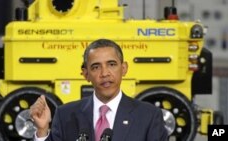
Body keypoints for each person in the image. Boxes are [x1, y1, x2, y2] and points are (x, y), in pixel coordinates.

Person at [30, 39, 168, 141]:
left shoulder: (148, 116)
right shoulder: (65, 115)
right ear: (86, 74)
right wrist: (42, 130)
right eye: (96, 67)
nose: (104, 73)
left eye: (112, 64)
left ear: (124, 68)